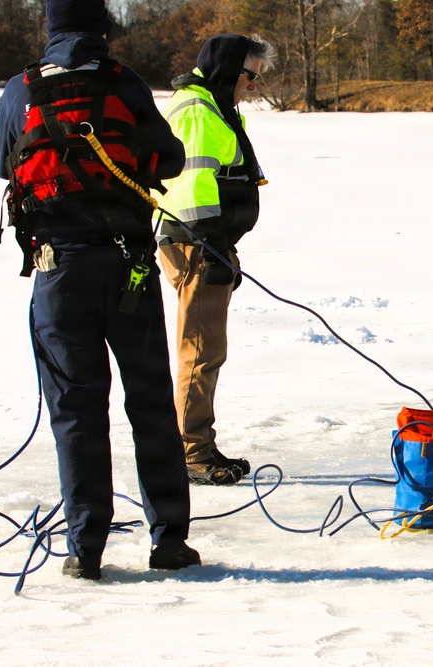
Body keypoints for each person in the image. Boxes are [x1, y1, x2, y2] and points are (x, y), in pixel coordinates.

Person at [0, 0, 200, 579]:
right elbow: (172, 156)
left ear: (50, 30)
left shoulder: (21, 89)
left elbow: (0, 162)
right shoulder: (123, 82)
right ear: (104, 30)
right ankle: (169, 542)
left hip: (58, 274)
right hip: (128, 267)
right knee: (150, 402)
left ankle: (84, 550)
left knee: (77, 412)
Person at [156, 34, 275, 486]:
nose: (253, 85)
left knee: (206, 350)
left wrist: (222, 246)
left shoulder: (210, 105)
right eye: (250, 75)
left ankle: (198, 443)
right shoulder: (198, 112)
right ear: (230, 69)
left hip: (205, 243)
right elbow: (189, 186)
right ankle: (191, 451)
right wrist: (209, 248)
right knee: (201, 351)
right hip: (194, 244)